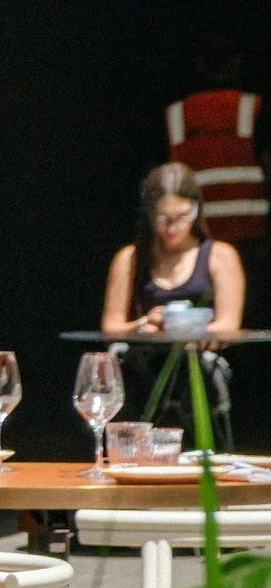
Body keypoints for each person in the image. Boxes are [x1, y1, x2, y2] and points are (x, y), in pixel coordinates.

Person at [102, 161, 247, 438]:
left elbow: (229, 326)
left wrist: (184, 329)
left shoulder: (220, 256)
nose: (172, 228)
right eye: (162, 218)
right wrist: (144, 323)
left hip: (198, 365)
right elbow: (110, 327)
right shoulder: (130, 259)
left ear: (196, 210)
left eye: (182, 216)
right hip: (142, 365)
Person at [166, 37, 265, 253]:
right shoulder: (254, 108)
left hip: (195, 240)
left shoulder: (175, 116)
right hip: (250, 237)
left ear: (199, 65)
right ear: (237, 62)